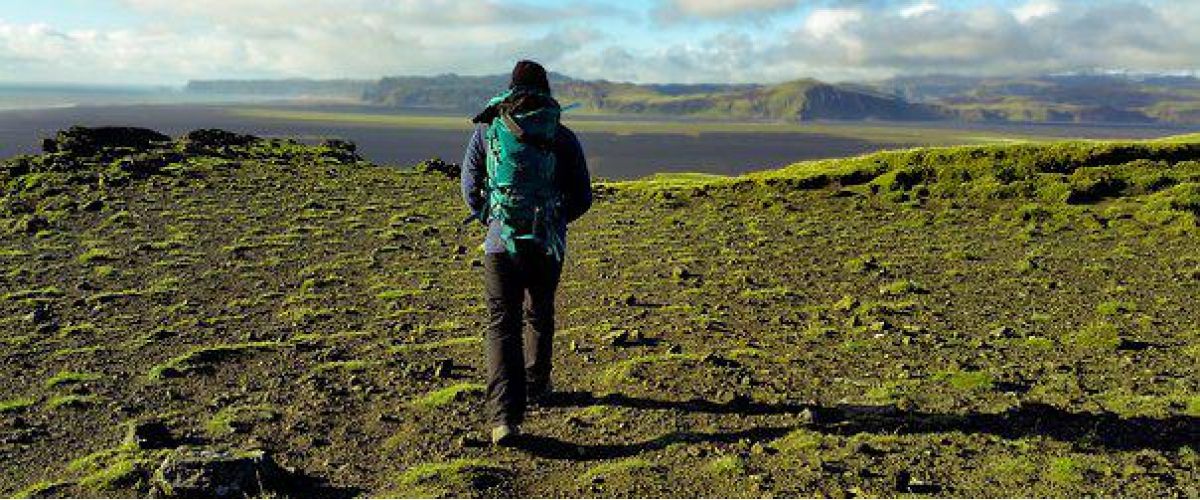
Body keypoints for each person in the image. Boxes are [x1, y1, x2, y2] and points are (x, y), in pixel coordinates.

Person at [460, 60, 593, 446]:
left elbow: (469, 185)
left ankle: (504, 417)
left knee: (502, 324)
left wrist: (491, 217)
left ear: (510, 89)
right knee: (540, 310)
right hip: (547, 243)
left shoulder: (488, 131)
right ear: (547, 91)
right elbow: (583, 196)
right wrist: (554, 219)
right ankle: (538, 383)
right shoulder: (563, 136)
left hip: (500, 242)